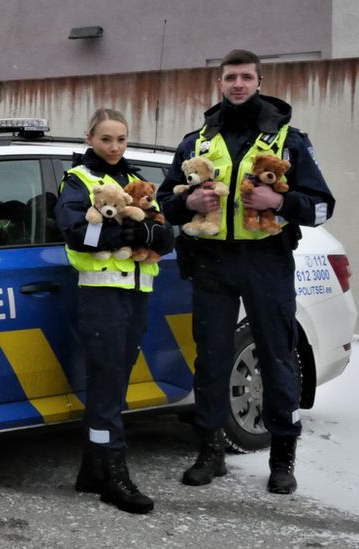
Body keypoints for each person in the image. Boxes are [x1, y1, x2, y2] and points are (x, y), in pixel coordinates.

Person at [156, 49, 335, 494]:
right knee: (212, 361)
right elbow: (163, 203)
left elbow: (322, 205)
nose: (238, 84)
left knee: (276, 358)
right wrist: (188, 205)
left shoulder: (288, 139)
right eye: (230, 77)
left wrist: (279, 203)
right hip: (211, 261)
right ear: (219, 83)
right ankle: (210, 452)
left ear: (259, 81)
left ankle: (282, 458)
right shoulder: (195, 142)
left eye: (246, 77)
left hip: (265, 261)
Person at [56, 108, 175, 514]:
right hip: (102, 296)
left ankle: (92, 470)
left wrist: (158, 232)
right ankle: (113, 476)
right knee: (107, 385)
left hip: (137, 295)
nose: (114, 147)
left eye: (121, 139)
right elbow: (77, 233)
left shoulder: (136, 180)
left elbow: (162, 231)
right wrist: (127, 231)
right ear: (89, 138)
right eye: (106, 139)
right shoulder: (79, 180)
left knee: (115, 385)